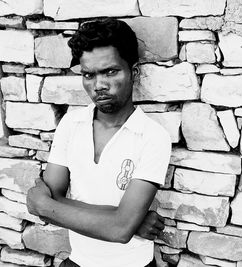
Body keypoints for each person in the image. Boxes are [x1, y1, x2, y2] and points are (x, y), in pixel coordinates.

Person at [26, 18, 172, 267]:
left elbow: (119, 230)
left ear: (133, 73)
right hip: (77, 261)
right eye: (88, 75)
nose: (99, 85)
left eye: (110, 71)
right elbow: (43, 208)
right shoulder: (71, 125)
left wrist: (46, 204)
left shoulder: (152, 136)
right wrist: (130, 219)